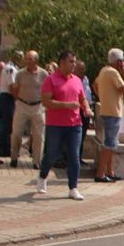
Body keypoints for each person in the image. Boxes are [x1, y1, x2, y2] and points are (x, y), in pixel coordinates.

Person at [37, 50, 90, 200]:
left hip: (75, 125)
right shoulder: (51, 80)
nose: (74, 64)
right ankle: (42, 177)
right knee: (52, 154)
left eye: (74, 61)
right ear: (61, 62)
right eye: (71, 62)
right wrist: (66, 105)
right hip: (56, 125)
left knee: (74, 156)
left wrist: (86, 108)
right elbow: (46, 101)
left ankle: (73, 187)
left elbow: (82, 98)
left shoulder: (77, 80)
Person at [91, 48, 124, 183]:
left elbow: (94, 84)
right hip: (113, 112)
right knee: (109, 144)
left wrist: (102, 97)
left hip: (107, 110)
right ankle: (100, 173)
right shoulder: (113, 72)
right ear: (119, 62)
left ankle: (109, 171)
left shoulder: (104, 70)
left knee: (112, 143)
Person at [8, 50, 46, 169]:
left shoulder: (43, 74)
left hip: (38, 106)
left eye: (30, 59)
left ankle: (37, 161)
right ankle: (14, 157)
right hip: (22, 105)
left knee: (39, 135)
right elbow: (15, 88)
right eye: (27, 59)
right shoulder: (20, 74)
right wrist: (18, 100)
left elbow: (47, 90)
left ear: (36, 60)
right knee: (16, 133)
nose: (28, 61)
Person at [0, 52, 18, 159]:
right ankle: (3, 148)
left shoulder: (12, 68)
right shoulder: (11, 68)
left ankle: (4, 147)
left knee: (7, 124)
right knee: (7, 124)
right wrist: (17, 98)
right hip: (8, 97)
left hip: (6, 97)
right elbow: (11, 86)